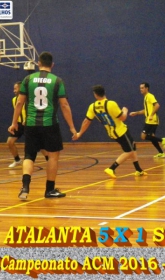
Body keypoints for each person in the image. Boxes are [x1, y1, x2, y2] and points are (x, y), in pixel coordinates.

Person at [8, 51, 77, 200]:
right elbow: (64, 105)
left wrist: (14, 123)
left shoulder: (27, 79)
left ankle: (25, 187)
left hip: (31, 124)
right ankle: (49, 190)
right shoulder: (57, 81)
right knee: (53, 156)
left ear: (38, 64)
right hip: (49, 124)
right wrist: (72, 127)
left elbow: (19, 102)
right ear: (52, 65)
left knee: (29, 156)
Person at [72, 84, 147, 179]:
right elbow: (123, 117)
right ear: (104, 92)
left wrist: (79, 133)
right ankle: (112, 168)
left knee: (133, 145)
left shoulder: (93, 107)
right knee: (129, 151)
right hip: (121, 131)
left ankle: (138, 170)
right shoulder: (111, 104)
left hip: (111, 132)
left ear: (95, 95)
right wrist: (124, 110)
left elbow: (86, 121)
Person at [7, 81, 49, 168]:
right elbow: (16, 112)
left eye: (16, 88)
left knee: (38, 144)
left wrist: (27, 119)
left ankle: (49, 159)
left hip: (29, 123)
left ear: (21, 88)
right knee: (10, 142)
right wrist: (13, 123)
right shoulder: (14, 100)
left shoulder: (28, 99)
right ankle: (17, 160)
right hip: (18, 124)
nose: (14, 90)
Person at [129, 82, 165, 158]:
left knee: (143, 136)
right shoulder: (145, 97)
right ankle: (161, 153)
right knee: (152, 137)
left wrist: (151, 115)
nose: (141, 89)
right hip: (150, 120)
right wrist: (136, 113)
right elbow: (146, 110)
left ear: (147, 88)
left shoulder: (150, 96)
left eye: (142, 88)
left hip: (152, 120)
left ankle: (162, 140)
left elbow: (157, 105)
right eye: (140, 88)